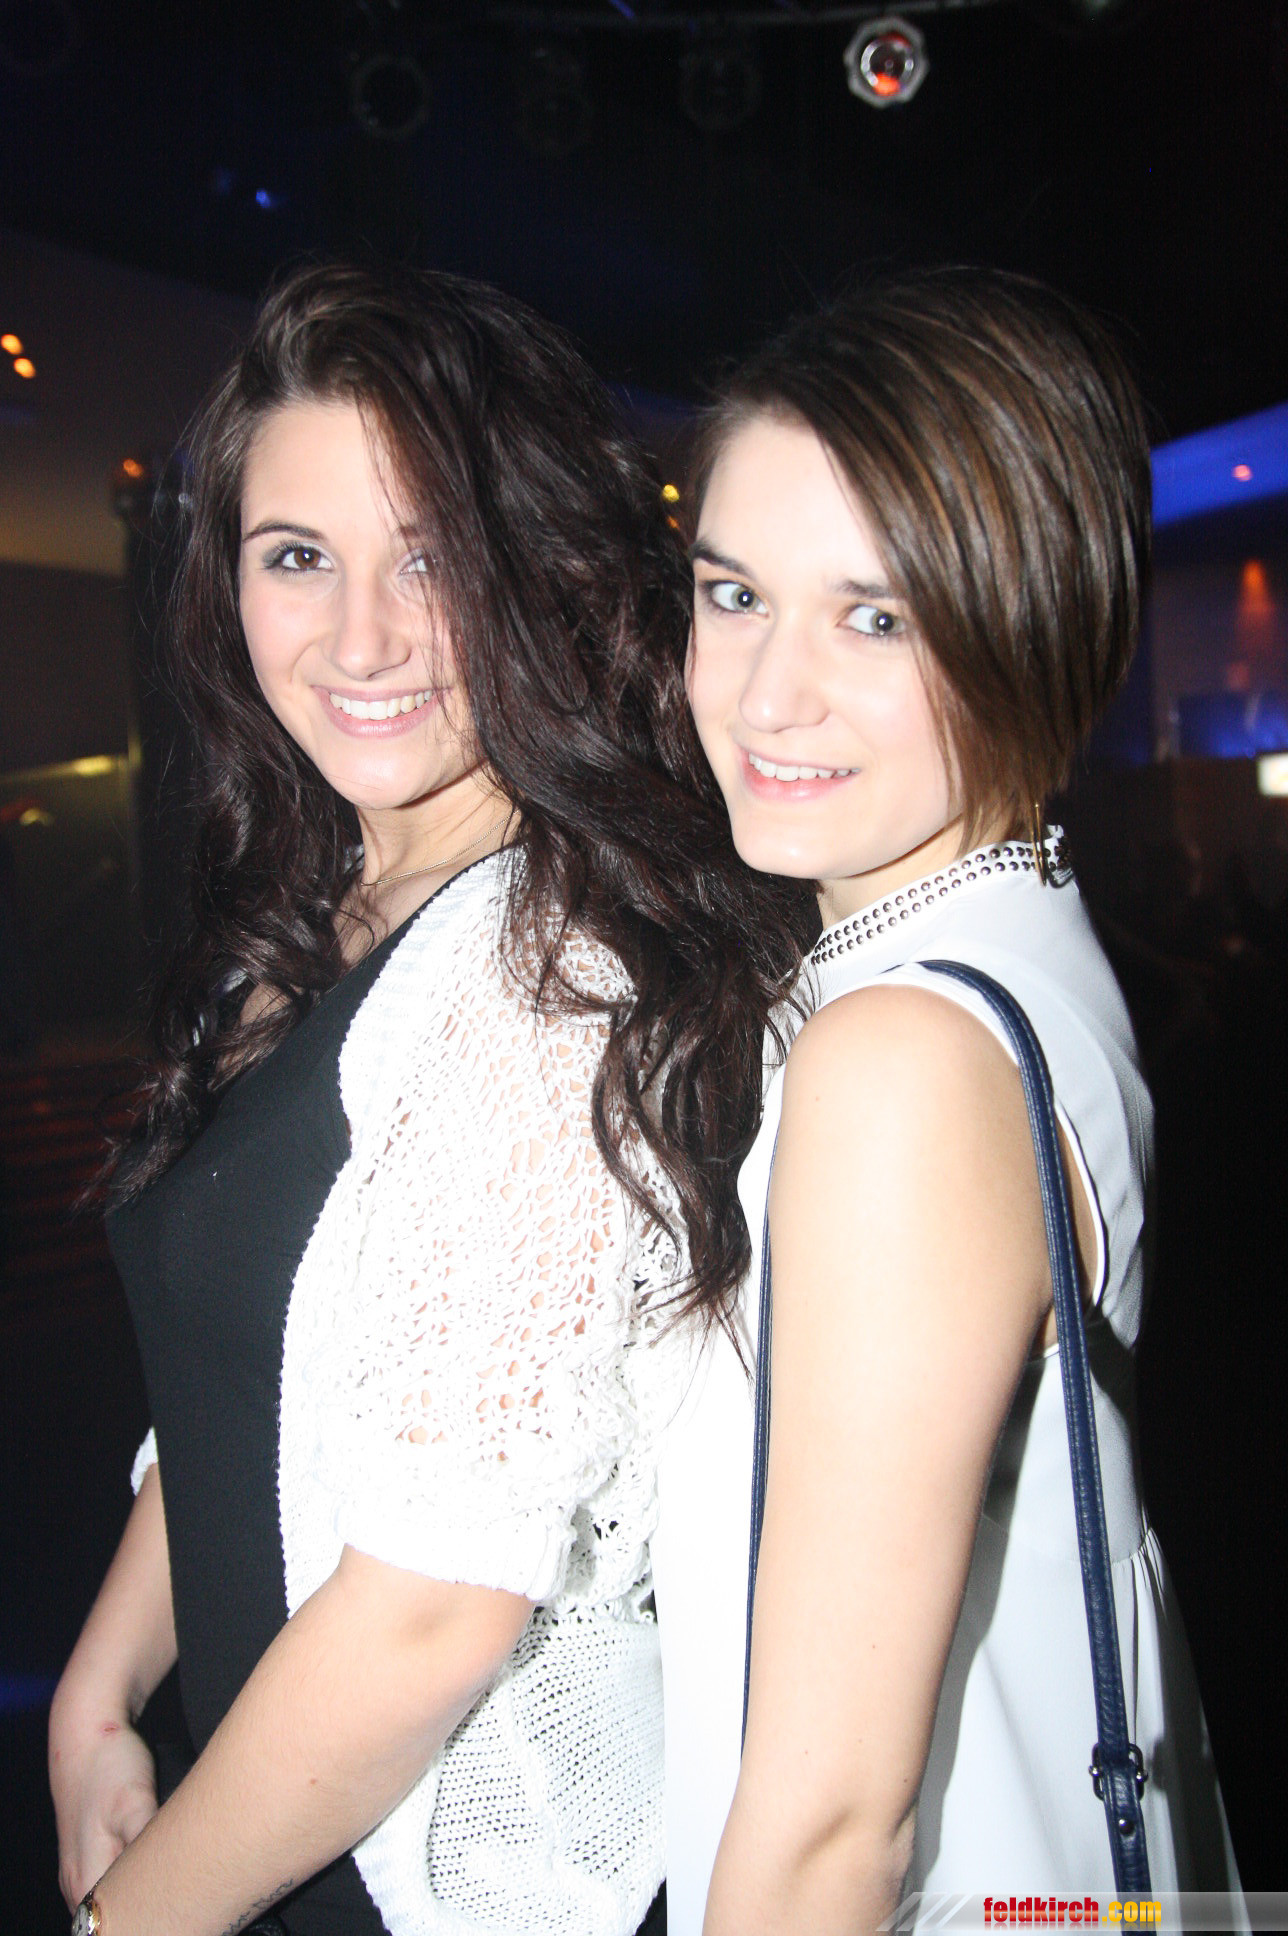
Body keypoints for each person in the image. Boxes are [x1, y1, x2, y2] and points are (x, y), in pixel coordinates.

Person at [47, 262, 806, 1936]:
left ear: (537, 569)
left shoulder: (541, 977)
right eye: (296, 557)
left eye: (430, 557)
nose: (362, 638)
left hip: (419, 1882)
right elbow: (258, 1382)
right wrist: (98, 1689)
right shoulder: (327, 906)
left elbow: (429, 1613)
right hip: (266, 1815)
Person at [653, 269, 1243, 1933]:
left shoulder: (904, 1056)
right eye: (734, 593)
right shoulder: (1016, 948)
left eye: (878, 617)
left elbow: (834, 1826)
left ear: (1034, 625)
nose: (767, 694)